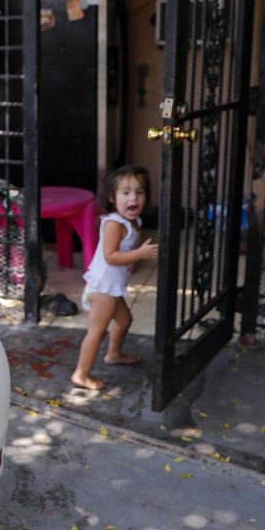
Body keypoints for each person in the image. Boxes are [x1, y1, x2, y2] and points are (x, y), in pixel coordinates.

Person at [71, 165, 159, 391]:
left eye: (139, 192)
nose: (134, 198)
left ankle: (113, 354)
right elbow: (111, 256)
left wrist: (136, 256)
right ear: (113, 197)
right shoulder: (114, 224)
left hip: (113, 286)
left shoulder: (134, 222)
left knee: (124, 321)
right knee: (97, 331)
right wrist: (139, 254)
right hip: (103, 287)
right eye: (126, 193)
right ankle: (81, 374)